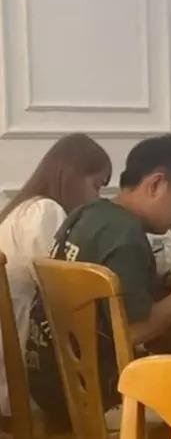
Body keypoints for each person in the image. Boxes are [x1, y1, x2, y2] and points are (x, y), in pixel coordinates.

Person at [26, 134, 171, 429]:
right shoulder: (125, 235)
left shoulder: (88, 214)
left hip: (51, 382)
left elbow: (111, 292)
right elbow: (135, 331)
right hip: (101, 395)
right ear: (156, 184)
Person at [0, 133, 112, 416]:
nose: (97, 198)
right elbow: (63, 289)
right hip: (21, 367)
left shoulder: (21, 209)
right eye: (96, 185)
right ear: (72, 177)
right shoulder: (45, 211)